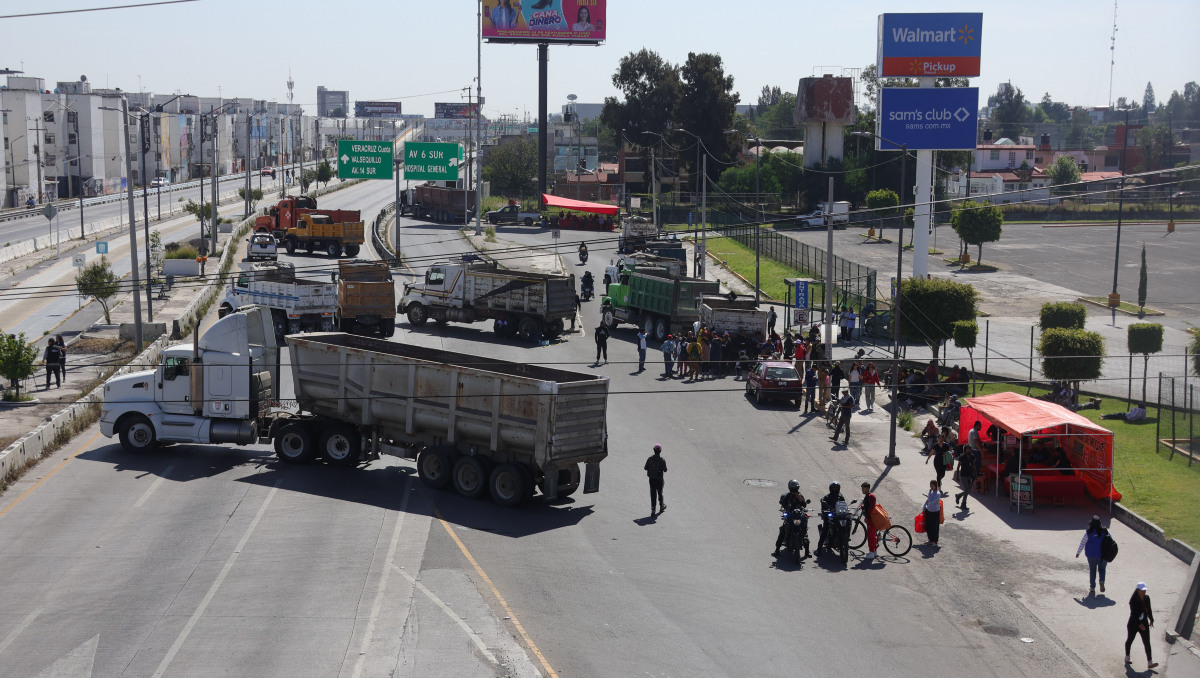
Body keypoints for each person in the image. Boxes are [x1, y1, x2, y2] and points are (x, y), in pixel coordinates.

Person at [774, 479, 810, 558]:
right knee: (783, 529)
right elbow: (783, 504)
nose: (794, 489)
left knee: (805, 530)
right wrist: (783, 508)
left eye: (795, 487)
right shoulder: (788, 496)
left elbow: (804, 505)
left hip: (799, 515)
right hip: (791, 515)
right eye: (793, 487)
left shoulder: (800, 495)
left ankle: (807, 551)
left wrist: (799, 498)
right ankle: (777, 549)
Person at [1124, 582, 1157, 668]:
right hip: (1134, 623)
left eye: (1145, 590)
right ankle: (1127, 657)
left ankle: (1150, 662)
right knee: (1130, 639)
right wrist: (1139, 624)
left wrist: (1151, 619)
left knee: (1147, 642)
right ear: (1137, 590)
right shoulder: (1133, 600)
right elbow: (1134, 614)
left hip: (1144, 623)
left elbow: (1148, 609)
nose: (1144, 592)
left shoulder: (1147, 598)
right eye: (1142, 590)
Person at [1076, 515, 1110, 596]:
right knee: (1102, 569)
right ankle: (1101, 581)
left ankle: (1092, 588)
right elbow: (1110, 540)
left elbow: (1083, 542)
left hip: (1091, 555)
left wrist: (1078, 552)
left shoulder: (1088, 532)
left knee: (1092, 571)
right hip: (1102, 555)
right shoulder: (1105, 531)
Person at [816, 481, 845, 555]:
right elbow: (823, 508)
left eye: (836, 488)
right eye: (834, 488)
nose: (835, 490)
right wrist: (826, 511)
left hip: (838, 516)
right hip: (829, 517)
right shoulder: (827, 497)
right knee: (825, 530)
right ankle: (819, 549)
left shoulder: (840, 496)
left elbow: (844, 505)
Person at [954, 443, 978, 511]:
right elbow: (958, 466)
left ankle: (958, 495)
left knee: (969, 490)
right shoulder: (962, 457)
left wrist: (975, 474)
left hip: (969, 475)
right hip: (963, 475)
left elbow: (973, 465)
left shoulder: (972, 456)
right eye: (968, 449)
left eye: (970, 448)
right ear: (965, 450)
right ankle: (963, 504)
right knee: (967, 489)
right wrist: (957, 476)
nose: (969, 450)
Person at [644, 444, 667, 514]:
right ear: (660, 451)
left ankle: (653, 509)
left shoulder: (650, 459)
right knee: (660, 493)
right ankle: (661, 506)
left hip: (652, 479)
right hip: (659, 480)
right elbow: (665, 470)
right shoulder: (662, 460)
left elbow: (645, 468)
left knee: (653, 494)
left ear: (654, 450)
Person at [860, 482, 878, 559]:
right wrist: (862, 506)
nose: (862, 490)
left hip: (871, 519)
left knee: (870, 536)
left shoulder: (871, 496)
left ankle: (871, 552)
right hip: (871, 519)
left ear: (867, 488)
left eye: (863, 488)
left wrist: (867, 517)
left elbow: (871, 508)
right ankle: (874, 551)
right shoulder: (868, 496)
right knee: (873, 536)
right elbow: (867, 505)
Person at [923, 480, 943, 546]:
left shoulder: (937, 493)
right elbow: (928, 501)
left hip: (935, 512)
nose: (931, 486)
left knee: (934, 527)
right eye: (930, 485)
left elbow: (932, 501)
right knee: (928, 526)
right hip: (929, 511)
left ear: (935, 485)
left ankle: (935, 541)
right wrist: (924, 508)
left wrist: (928, 496)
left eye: (932, 485)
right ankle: (930, 539)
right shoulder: (930, 492)